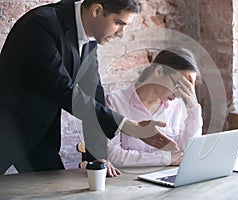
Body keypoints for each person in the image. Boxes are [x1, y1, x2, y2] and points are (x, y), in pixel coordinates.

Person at [0, 0, 178, 174]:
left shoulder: (89, 39)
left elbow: (94, 95)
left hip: (40, 137)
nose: (121, 33)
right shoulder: (40, 24)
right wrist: (127, 125)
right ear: (96, 10)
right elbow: (62, 89)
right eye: (118, 23)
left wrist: (98, 157)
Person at [105, 47, 203, 175]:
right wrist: (166, 158)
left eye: (187, 89)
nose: (180, 95)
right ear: (158, 71)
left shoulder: (176, 106)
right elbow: (115, 156)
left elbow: (189, 151)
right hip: (126, 183)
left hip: (164, 182)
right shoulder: (115, 102)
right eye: (179, 85)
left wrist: (193, 106)